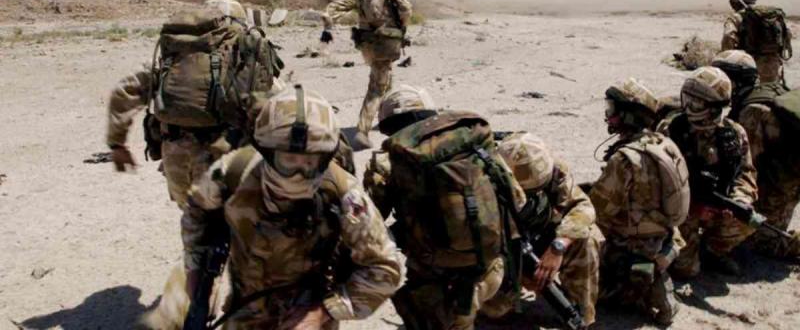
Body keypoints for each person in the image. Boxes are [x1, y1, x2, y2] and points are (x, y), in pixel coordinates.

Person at [182, 84, 404, 328]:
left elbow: (386, 267)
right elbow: (196, 214)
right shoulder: (233, 173)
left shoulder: (343, 193)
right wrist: (197, 275)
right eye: (288, 160)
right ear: (266, 152)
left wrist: (325, 311)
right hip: (244, 310)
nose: (299, 174)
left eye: (310, 162)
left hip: (307, 316)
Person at [364, 85, 525, 329]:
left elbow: (371, 224)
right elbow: (518, 199)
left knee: (422, 308)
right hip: (496, 269)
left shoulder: (388, 162)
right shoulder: (472, 144)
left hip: (439, 281)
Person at [106, 0, 282, 209]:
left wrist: (117, 144)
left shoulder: (172, 58)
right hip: (225, 158)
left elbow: (124, 91)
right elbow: (278, 103)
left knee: (194, 219)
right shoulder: (243, 59)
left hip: (177, 161)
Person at [590, 78, 690, 325]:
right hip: (665, 235)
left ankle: (639, 288)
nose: (608, 116)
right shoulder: (664, 144)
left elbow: (599, 210)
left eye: (612, 110)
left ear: (628, 116)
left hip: (631, 245)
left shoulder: (624, 159)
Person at [480, 132, 601, 327]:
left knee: (586, 239)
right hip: (499, 250)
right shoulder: (482, 182)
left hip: (539, 237)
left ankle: (581, 315)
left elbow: (582, 206)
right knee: (496, 310)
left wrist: (559, 245)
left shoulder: (552, 168)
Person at [657, 67, 758, 278]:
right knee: (686, 270)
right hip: (679, 210)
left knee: (746, 220)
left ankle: (712, 252)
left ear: (714, 107)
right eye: (686, 99)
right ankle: (687, 250)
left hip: (717, 206)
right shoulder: (670, 129)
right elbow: (656, 181)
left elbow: (746, 173)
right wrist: (692, 208)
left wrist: (739, 200)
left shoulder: (734, 134)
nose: (688, 107)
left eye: (696, 103)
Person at [712, 50, 800, 259]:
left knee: (754, 240)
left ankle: (793, 243)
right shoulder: (771, 90)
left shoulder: (752, 112)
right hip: (787, 178)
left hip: (780, 189)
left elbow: (745, 165)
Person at [320, 0, 413, 149]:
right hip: (386, 46)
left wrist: (329, 24)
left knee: (385, 77)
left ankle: (386, 117)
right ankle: (362, 131)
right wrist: (399, 26)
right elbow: (407, 10)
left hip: (367, 46)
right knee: (376, 89)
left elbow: (333, 8)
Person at [721, 0, 792, 84]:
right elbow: (787, 35)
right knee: (771, 89)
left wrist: (727, 58)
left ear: (734, 3)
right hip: (773, 64)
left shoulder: (737, 17)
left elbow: (728, 37)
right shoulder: (769, 16)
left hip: (749, 63)